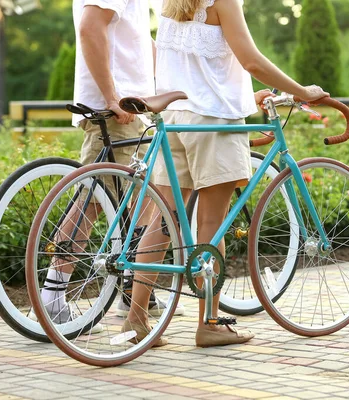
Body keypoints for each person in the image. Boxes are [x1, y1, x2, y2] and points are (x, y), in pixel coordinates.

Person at [123, 0, 328, 347]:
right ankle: (210, 324)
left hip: (175, 117)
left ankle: (137, 319)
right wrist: (301, 91)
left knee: (164, 221)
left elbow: (202, 66)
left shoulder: (171, 2)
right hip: (213, 123)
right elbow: (250, 59)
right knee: (211, 227)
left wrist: (244, 94)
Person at [37, 0, 184, 325]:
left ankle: (133, 289)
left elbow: (139, 43)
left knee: (140, 198)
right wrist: (111, 96)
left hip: (134, 106)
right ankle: (52, 293)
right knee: (93, 198)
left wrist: (178, 82)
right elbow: (90, 26)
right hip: (119, 110)